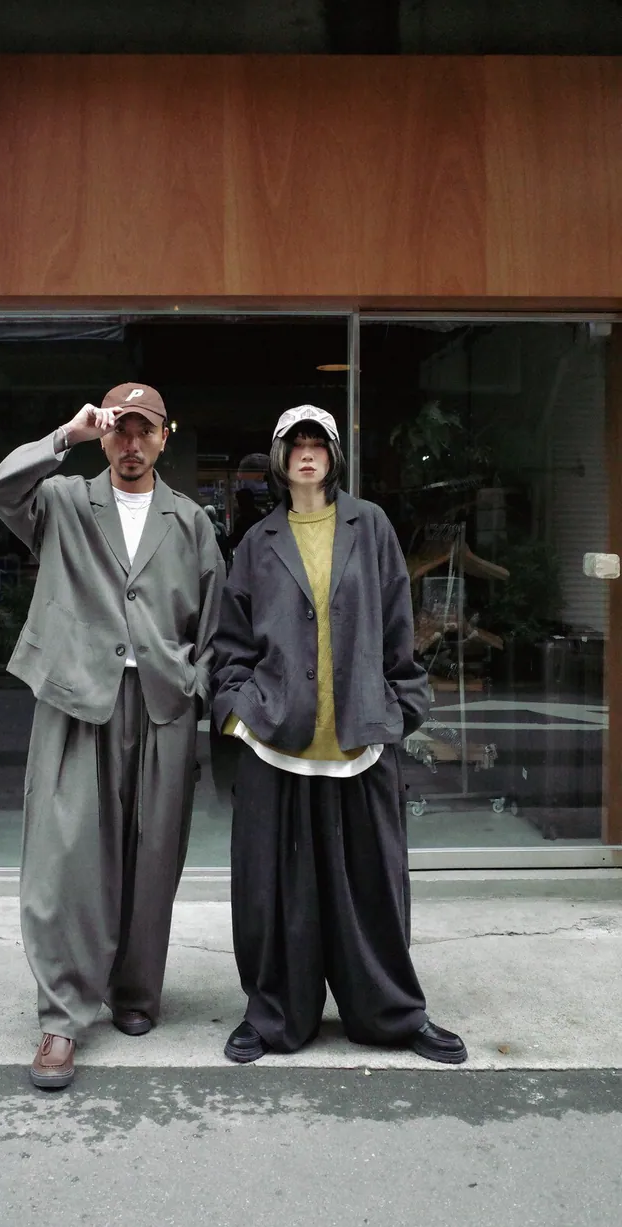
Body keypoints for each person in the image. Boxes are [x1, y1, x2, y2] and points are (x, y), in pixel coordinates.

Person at [0, 382, 225, 1089]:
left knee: (154, 853)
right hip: (75, 699)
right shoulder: (63, 502)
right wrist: (67, 435)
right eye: (120, 428)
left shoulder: (190, 521)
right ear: (105, 433)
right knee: (65, 858)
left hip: (161, 705)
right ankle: (62, 1016)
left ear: (164, 437)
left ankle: (136, 990)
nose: (131, 442)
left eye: (144, 430)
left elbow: (216, 623)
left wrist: (194, 685)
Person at [211, 404, 467, 1066]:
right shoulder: (258, 541)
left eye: (317, 442)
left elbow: (398, 624)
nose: (307, 452)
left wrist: (402, 705)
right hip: (277, 741)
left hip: (359, 738)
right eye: (295, 442)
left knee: (372, 889)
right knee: (277, 895)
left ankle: (394, 1014)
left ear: (333, 456)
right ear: (280, 457)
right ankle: (272, 1015)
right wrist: (237, 709)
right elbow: (231, 641)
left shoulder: (370, 525)